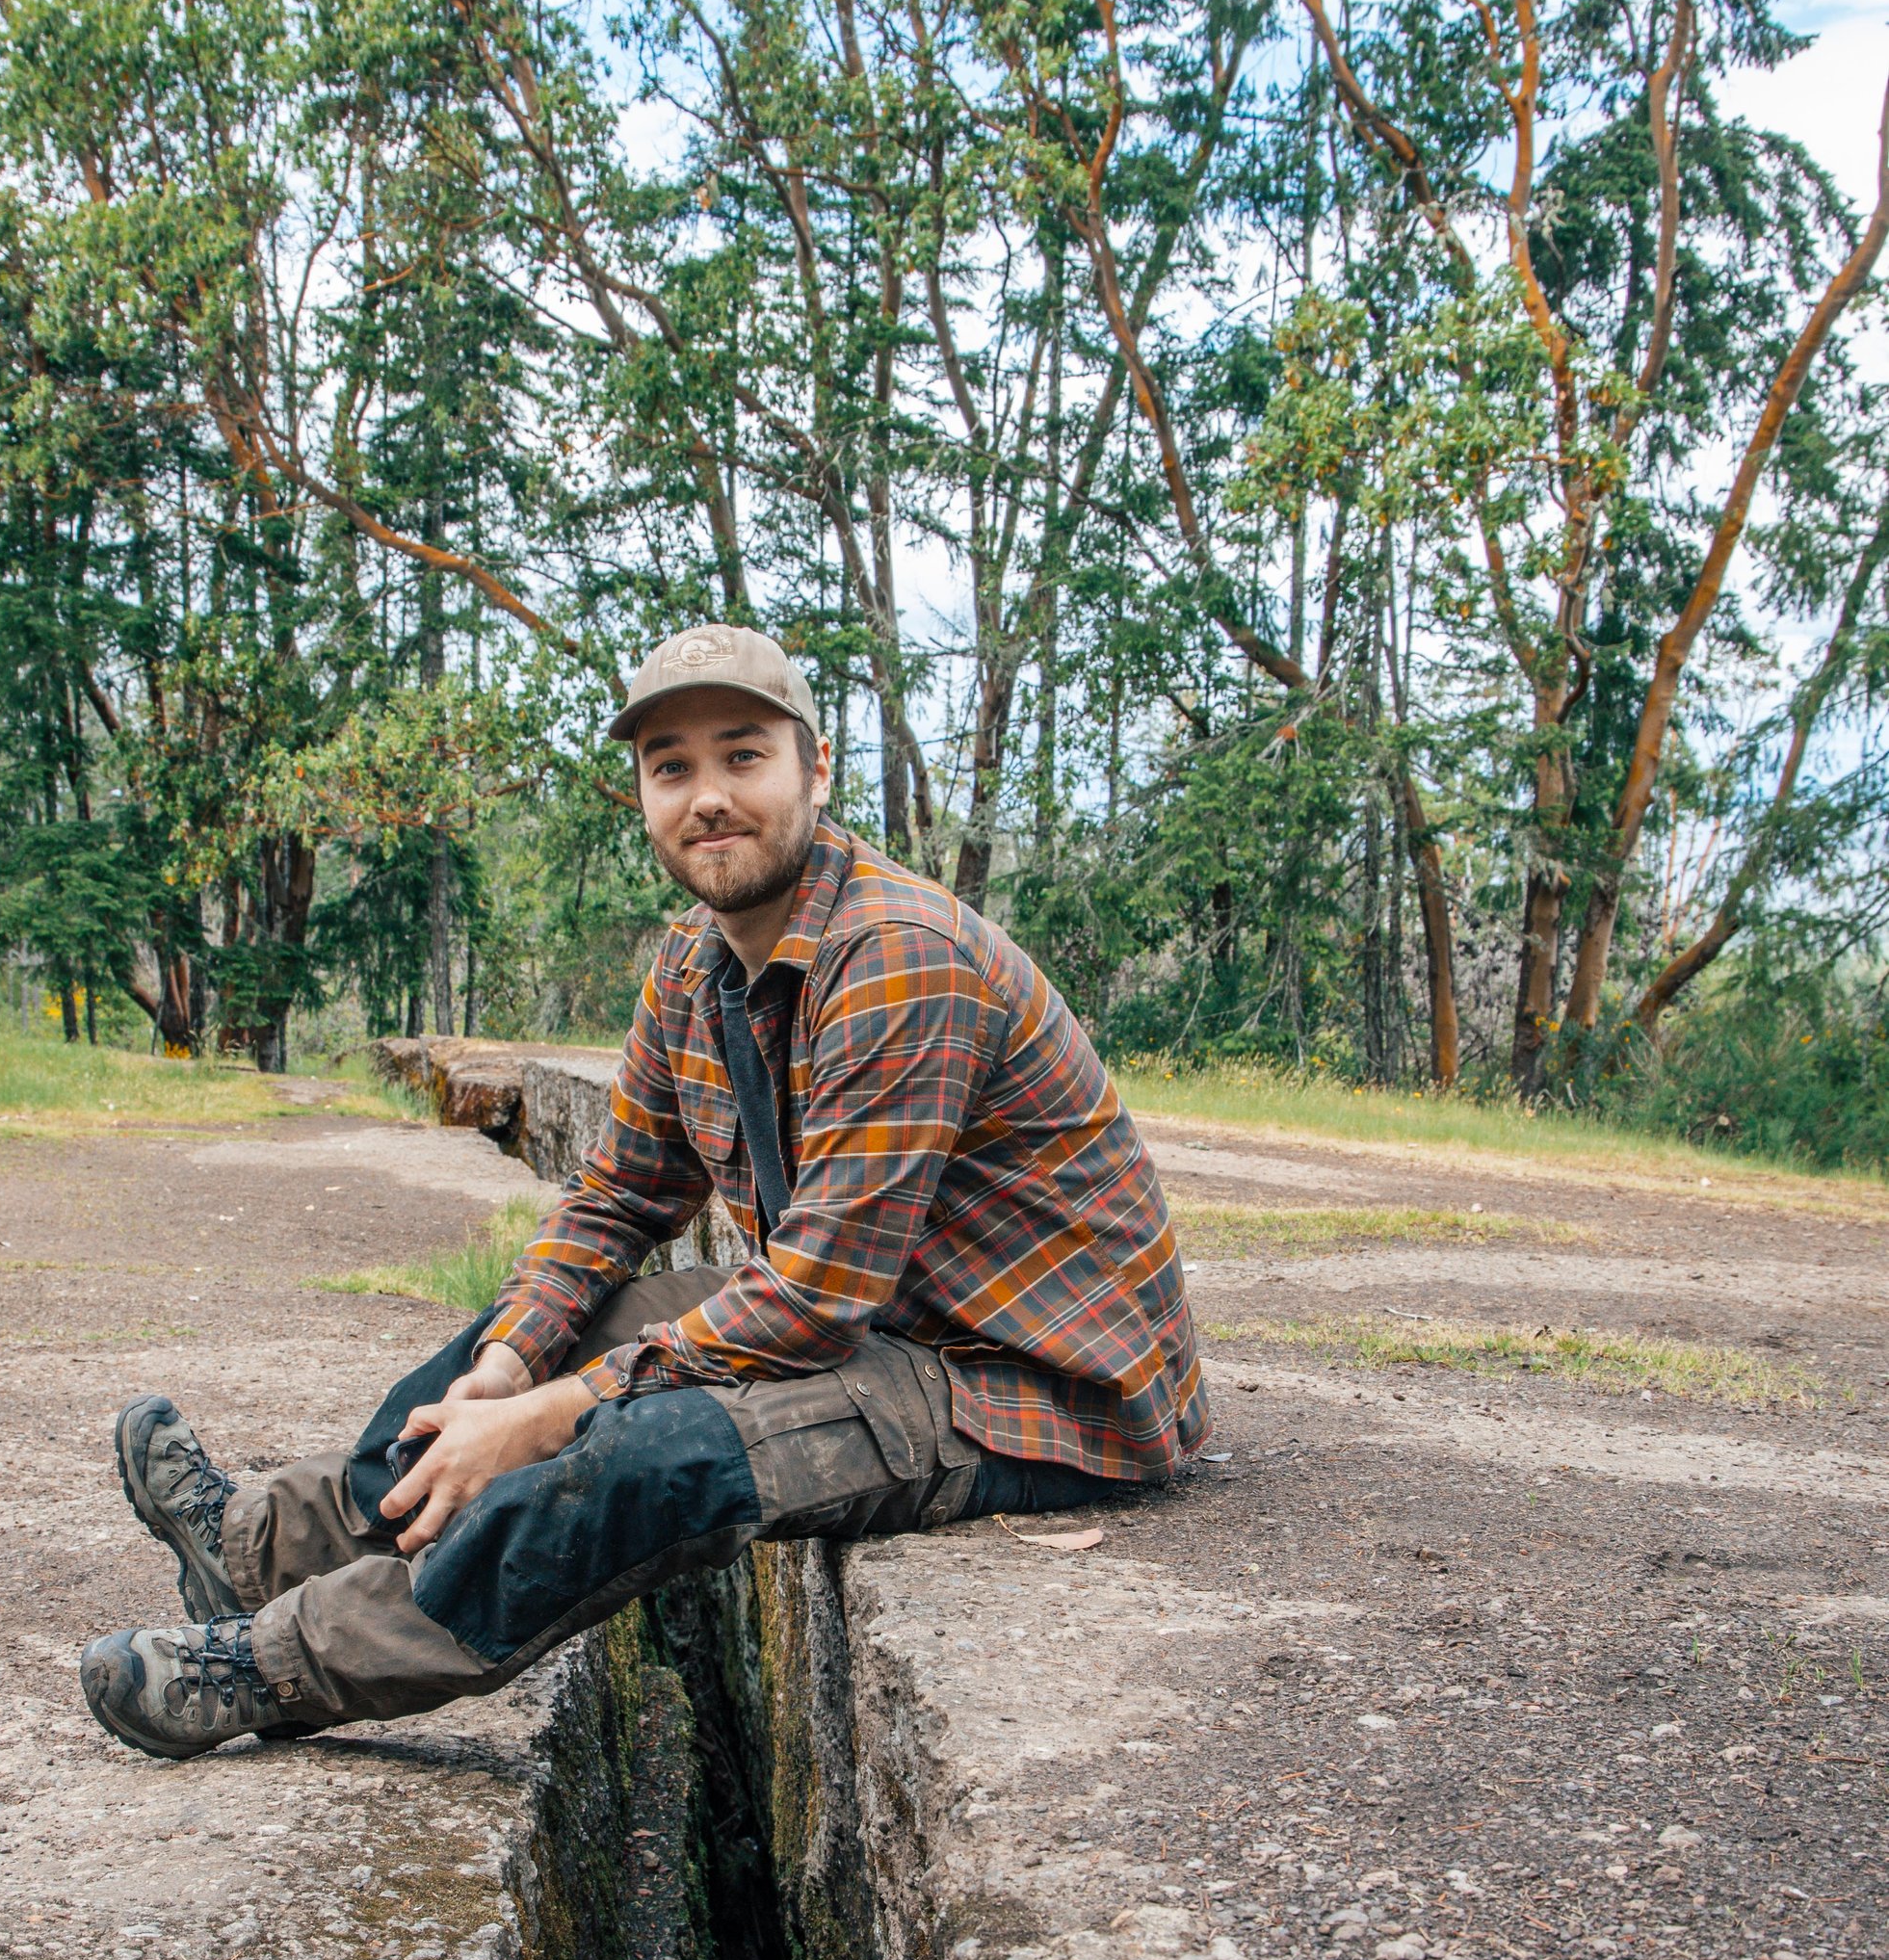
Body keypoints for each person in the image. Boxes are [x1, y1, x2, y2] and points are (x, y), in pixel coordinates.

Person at [79, 623, 1207, 1759]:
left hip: (1027, 1381)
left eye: (742, 756)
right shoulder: (693, 966)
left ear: (815, 771)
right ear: (642, 798)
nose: (707, 796)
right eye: (671, 767)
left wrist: (542, 1419)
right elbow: (617, 1199)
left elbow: (810, 1301)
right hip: (885, 1319)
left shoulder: (898, 955)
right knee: (557, 1339)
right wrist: (506, 1371)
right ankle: (254, 1550)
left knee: (650, 1453)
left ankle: (278, 1668)